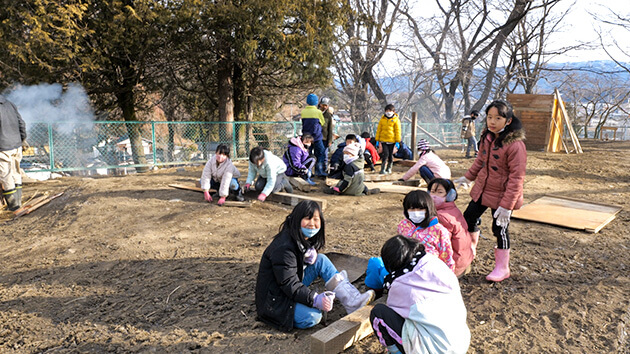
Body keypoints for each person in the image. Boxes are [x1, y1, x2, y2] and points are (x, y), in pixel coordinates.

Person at [255, 201, 375, 331]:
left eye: (316, 219)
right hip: (274, 300)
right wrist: (314, 299)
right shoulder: (284, 248)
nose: (312, 223)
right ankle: (299, 308)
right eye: (307, 218)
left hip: (288, 286)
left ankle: (352, 301)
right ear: (297, 219)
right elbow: (289, 284)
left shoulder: (299, 237)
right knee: (312, 317)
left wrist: (306, 255)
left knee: (321, 260)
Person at [454, 100, 526, 282]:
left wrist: (507, 206)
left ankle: (503, 267)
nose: (492, 121)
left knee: (499, 228)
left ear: (508, 121)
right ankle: (470, 251)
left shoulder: (515, 145)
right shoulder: (487, 136)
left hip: (502, 196)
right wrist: (468, 177)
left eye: (498, 118)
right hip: (483, 189)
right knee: (468, 217)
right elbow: (480, 161)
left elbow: (517, 178)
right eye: (490, 117)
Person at [370, 236, 470, 354]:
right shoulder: (436, 264)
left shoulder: (399, 284)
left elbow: (395, 311)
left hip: (432, 350)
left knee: (378, 313)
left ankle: (395, 352)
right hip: (459, 343)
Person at [398, 190, 455, 272]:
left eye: (420, 209)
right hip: (406, 271)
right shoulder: (403, 225)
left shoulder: (439, 231)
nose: (416, 213)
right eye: (411, 209)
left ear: (429, 208)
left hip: (430, 273)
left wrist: (448, 277)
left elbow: (447, 258)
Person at [427, 178, 473, 277]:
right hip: (464, 260)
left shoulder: (440, 216)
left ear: (450, 195)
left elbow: (441, 245)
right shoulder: (452, 209)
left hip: (453, 266)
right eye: (432, 192)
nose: (434, 196)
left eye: (440, 192)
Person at [0, 95, 27, 211]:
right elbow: (21, 123)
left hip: (3, 146)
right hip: (16, 144)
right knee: (16, 172)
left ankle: (13, 206)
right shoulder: (10, 104)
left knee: (5, 175)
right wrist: (22, 139)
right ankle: (18, 202)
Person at [301, 93, 327, 177]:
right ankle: (319, 171)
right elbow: (322, 123)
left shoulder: (303, 112)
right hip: (317, 137)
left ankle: (307, 172)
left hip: (306, 138)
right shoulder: (318, 112)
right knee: (320, 153)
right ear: (316, 102)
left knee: (307, 155)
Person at [375, 104, 401, 175]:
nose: (388, 112)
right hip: (383, 140)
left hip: (392, 140)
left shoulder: (396, 120)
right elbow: (379, 129)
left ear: (393, 111)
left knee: (390, 155)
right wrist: (377, 139)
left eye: (390, 111)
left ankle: (389, 168)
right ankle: (383, 169)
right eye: (387, 111)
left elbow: (397, 130)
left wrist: (397, 140)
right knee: (385, 154)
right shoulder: (382, 119)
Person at [319, 97, 335, 168]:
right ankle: (317, 171)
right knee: (318, 155)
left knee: (325, 155)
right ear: (320, 104)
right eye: (323, 105)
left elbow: (330, 129)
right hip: (317, 138)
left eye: (326, 105)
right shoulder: (317, 113)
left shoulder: (328, 115)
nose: (325, 107)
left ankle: (324, 170)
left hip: (325, 139)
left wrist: (330, 140)